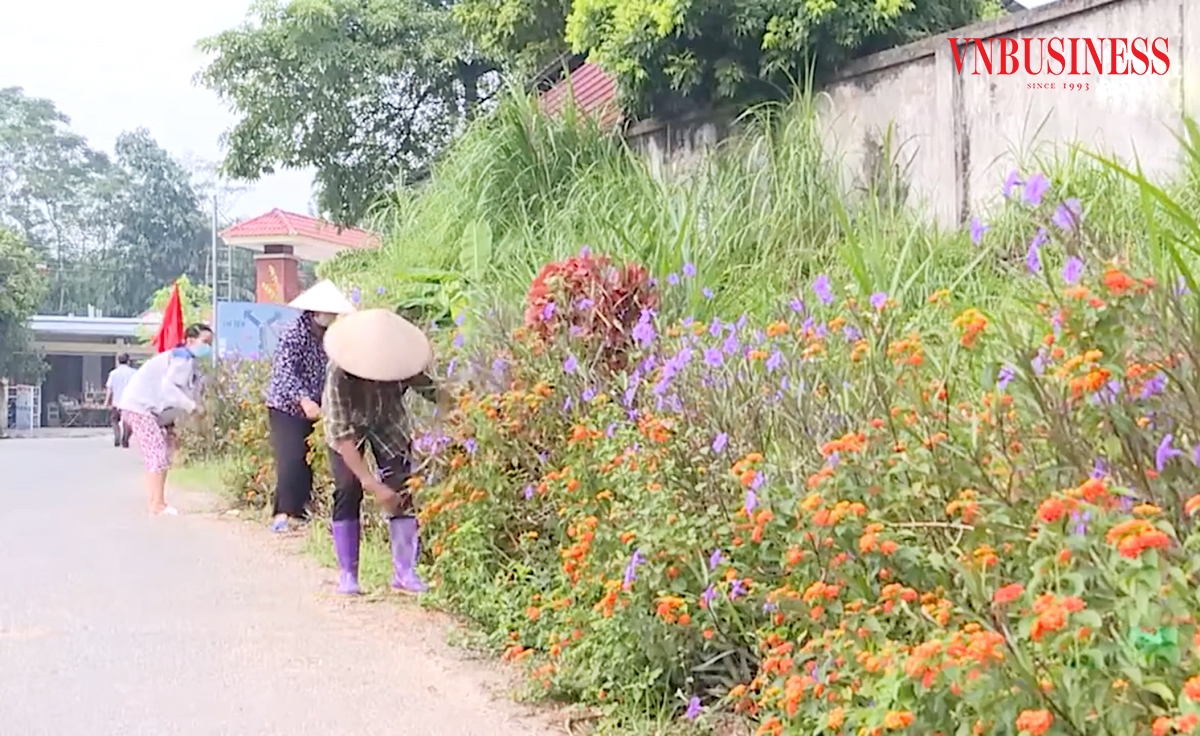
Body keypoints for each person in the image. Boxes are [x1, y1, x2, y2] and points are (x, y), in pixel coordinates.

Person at [321, 308, 450, 595]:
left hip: (388, 423)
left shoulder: (399, 363)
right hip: (349, 426)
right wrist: (371, 484)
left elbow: (432, 390)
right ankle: (348, 573)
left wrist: (461, 405)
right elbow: (342, 435)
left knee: (401, 487)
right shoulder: (339, 372)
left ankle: (405, 571)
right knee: (347, 488)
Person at [265, 280, 356, 533]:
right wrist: (303, 399)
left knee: (308, 458)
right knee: (291, 457)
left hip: (318, 405)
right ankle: (282, 514)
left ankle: (300, 511)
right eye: (329, 312)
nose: (332, 317)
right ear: (316, 311)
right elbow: (285, 372)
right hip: (287, 406)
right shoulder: (294, 334)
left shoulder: (330, 337)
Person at [117, 323, 213, 516]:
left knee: (165, 453)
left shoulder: (186, 361)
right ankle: (157, 504)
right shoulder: (182, 358)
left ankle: (156, 501)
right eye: (205, 342)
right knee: (157, 453)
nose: (208, 347)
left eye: (210, 343)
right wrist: (193, 407)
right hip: (141, 407)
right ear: (190, 341)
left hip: (154, 411)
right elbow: (169, 389)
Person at [104, 353, 136, 448]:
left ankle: (117, 436)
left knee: (114, 420)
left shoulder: (113, 373)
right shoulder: (134, 373)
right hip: (129, 403)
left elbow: (109, 389)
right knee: (128, 421)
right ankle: (125, 439)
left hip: (116, 402)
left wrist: (106, 402)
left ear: (118, 361)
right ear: (128, 361)